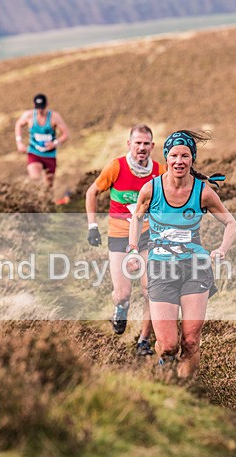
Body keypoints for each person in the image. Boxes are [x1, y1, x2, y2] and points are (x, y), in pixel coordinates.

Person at [126, 130, 236, 378]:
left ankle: (187, 388)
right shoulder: (151, 189)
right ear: (166, 157)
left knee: (190, 341)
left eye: (185, 155)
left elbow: (231, 223)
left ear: (192, 159)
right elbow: (137, 217)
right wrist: (133, 248)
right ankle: (164, 364)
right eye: (174, 155)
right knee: (168, 345)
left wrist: (221, 249)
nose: (179, 161)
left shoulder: (204, 193)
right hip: (161, 267)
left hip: (195, 268)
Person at [86, 124, 165, 356]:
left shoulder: (160, 171)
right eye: (137, 143)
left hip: (148, 235)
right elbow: (91, 192)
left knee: (151, 289)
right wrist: (92, 226)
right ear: (129, 144)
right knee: (122, 293)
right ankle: (121, 309)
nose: (141, 147)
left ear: (152, 146)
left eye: (146, 143)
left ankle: (143, 340)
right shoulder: (116, 167)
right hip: (120, 235)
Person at [14, 93, 70, 200]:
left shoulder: (54, 117)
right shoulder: (29, 115)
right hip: (34, 152)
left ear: (47, 105)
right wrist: (19, 142)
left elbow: (66, 134)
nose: (40, 111)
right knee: (35, 179)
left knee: (49, 184)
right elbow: (18, 124)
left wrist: (55, 143)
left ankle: (47, 203)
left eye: (42, 108)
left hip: (49, 155)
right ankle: (34, 202)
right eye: (38, 108)